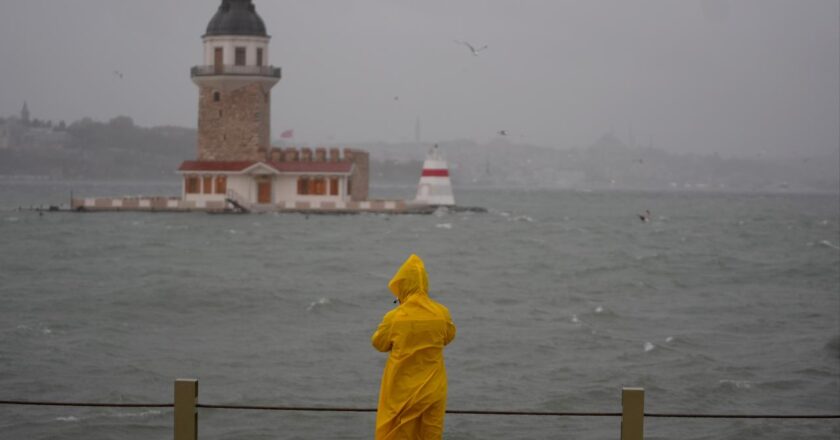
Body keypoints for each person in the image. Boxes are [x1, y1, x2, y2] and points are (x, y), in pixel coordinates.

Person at [372, 254, 456, 440]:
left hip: (401, 391)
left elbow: (379, 343)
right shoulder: (441, 313)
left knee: (396, 433)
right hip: (432, 388)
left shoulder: (394, 318)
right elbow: (448, 337)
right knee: (429, 434)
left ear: (401, 287)